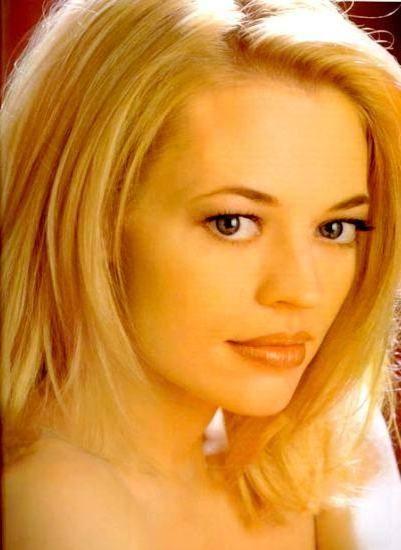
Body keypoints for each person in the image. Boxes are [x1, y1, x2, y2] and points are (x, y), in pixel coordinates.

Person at [2, 0, 401, 548]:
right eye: (233, 223)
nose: (301, 291)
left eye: (335, 228)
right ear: (93, 220)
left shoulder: (321, 442)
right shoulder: (55, 504)